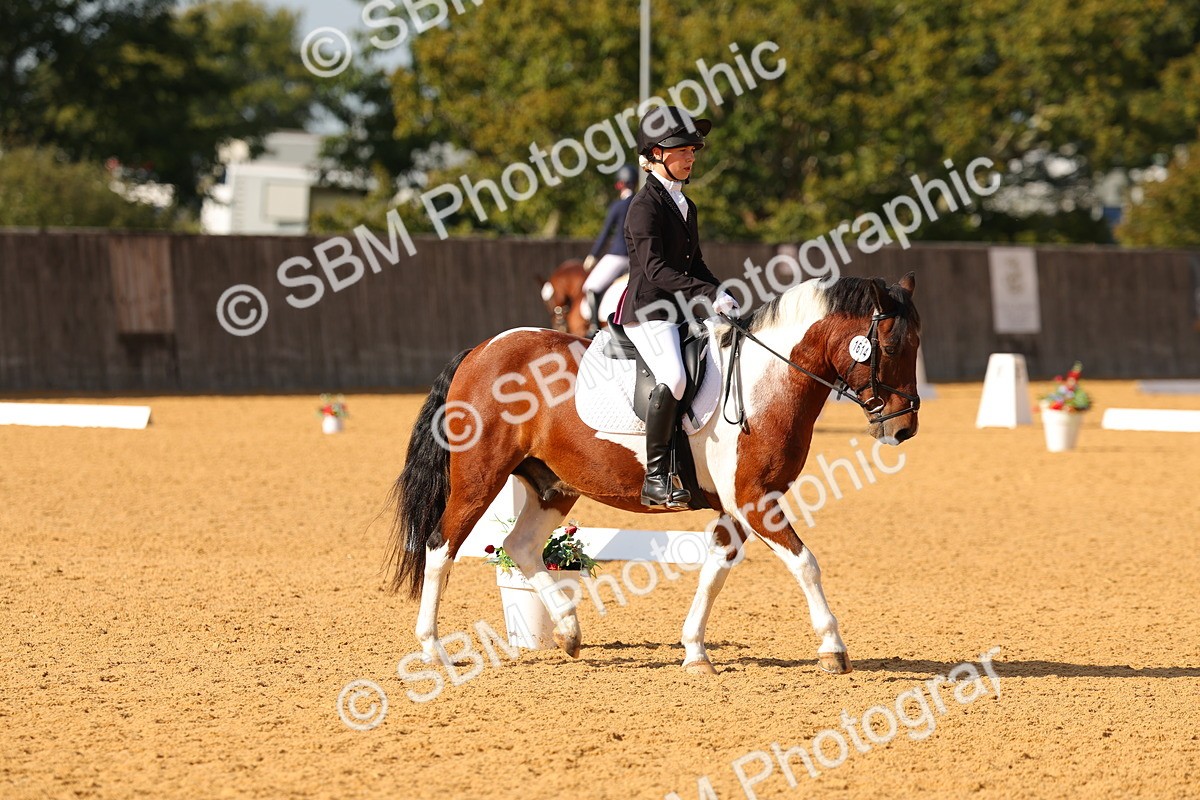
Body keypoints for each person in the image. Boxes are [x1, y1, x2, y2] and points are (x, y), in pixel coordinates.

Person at [614, 105, 739, 509]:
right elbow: (653, 270)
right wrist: (705, 293)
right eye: (681, 151)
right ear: (654, 155)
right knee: (675, 376)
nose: (690, 158)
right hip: (648, 310)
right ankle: (655, 477)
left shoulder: (686, 206)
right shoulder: (643, 206)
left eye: (692, 150)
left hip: (680, 309)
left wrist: (719, 290)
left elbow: (695, 262)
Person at [581, 164, 637, 336]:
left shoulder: (617, 206)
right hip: (637, 257)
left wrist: (593, 255)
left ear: (619, 184)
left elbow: (605, 233)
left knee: (591, 286)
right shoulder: (641, 202)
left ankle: (594, 327)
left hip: (618, 255)